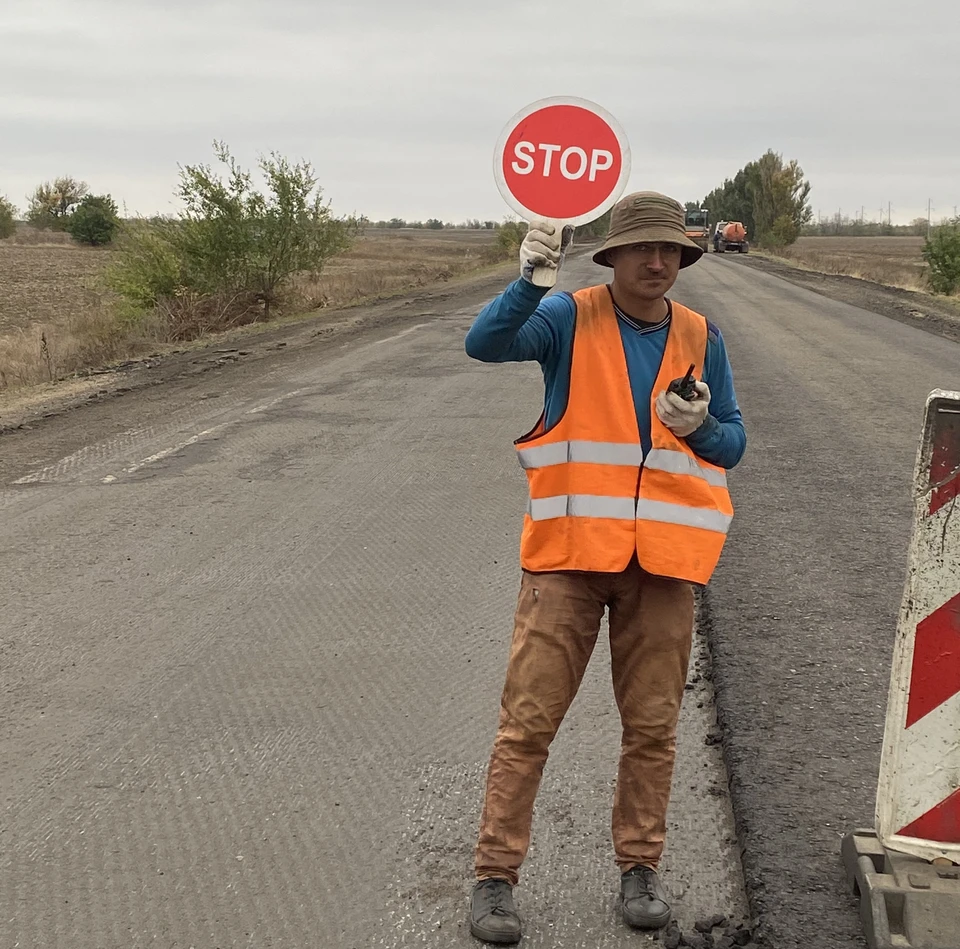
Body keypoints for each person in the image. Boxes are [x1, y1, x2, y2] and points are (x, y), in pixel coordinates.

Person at [463, 191, 746, 944]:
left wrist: (706, 426)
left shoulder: (700, 334)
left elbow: (736, 442)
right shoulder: (566, 317)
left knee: (652, 728)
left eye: (672, 253)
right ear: (612, 255)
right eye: (643, 250)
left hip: (661, 567)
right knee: (527, 724)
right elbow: (484, 344)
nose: (659, 263)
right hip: (567, 560)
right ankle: (495, 877)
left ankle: (640, 868)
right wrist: (529, 279)